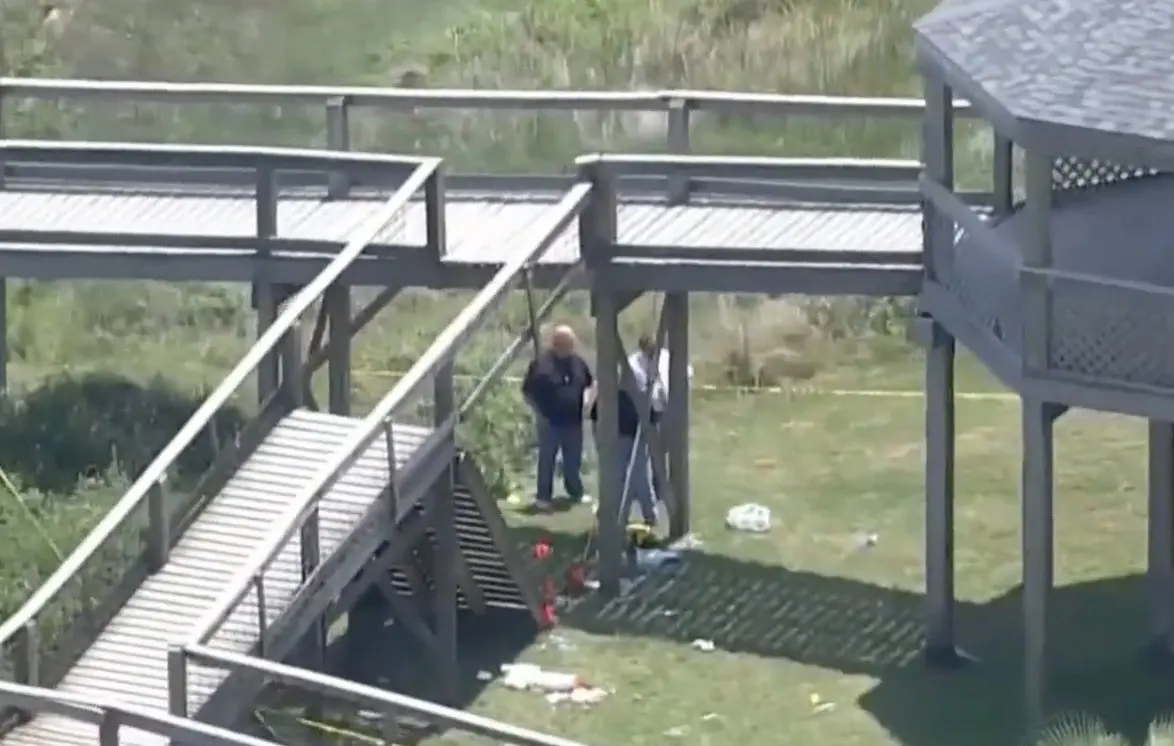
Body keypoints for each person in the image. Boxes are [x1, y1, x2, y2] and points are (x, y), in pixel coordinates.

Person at [521, 325, 594, 512]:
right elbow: (527, 392)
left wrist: (588, 401)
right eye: (565, 343)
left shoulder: (578, 363)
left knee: (573, 460)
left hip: (573, 422)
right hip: (549, 422)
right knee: (547, 460)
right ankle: (543, 497)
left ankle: (575, 492)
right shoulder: (541, 364)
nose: (569, 346)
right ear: (556, 342)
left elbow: (590, 383)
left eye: (571, 343)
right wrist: (538, 413)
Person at [590, 377, 658, 527]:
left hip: (637, 440)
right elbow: (595, 418)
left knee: (640, 478)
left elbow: (652, 420)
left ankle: (650, 514)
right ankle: (618, 516)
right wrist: (599, 441)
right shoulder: (607, 396)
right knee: (616, 479)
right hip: (614, 441)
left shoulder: (641, 396)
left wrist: (649, 440)